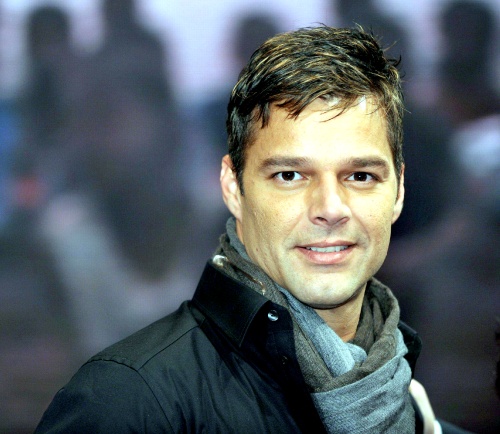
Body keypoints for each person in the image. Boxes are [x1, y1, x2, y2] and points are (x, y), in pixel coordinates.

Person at [35, 25, 461, 433]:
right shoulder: (122, 401)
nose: (331, 209)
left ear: (399, 191)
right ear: (233, 188)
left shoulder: (418, 410)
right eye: (290, 176)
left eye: (361, 176)